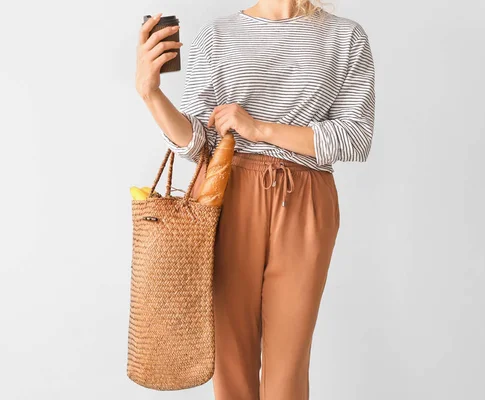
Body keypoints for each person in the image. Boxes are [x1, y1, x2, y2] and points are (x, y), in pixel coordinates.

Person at [135, 1, 375, 398]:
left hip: (305, 200)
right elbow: (199, 144)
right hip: (226, 193)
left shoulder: (345, 36)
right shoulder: (218, 34)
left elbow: (354, 138)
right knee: (230, 364)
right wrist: (151, 94)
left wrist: (260, 128)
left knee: (288, 369)